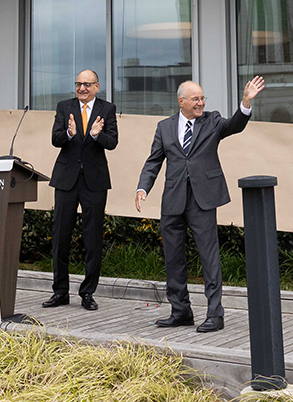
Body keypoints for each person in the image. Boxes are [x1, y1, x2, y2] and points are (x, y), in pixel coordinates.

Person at [135, 76, 265, 334]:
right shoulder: (164, 127)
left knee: (209, 258)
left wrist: (245, 103)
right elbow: (154, 162)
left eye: (202, 98)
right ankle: (181, 311)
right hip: (172, 200)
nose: (201, 103)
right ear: (181, 101)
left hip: (202, 199)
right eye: (195, 99)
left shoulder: (212, 121)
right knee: (173, 258)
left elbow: (234, 126)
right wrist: (142, 187)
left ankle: (215, 315)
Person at [43, 69, 118, 311]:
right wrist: (69, 133)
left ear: (97, 86)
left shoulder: (107, 109)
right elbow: (55, 139)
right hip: (66, 180)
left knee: (93, 239)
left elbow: (113, 142)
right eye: (78, 84)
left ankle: (87, 293)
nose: (82, 88)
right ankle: (60, 292)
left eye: (87, 84)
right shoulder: (64, 107)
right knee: (60, 237)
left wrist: (97, 136)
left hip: (94, 181)